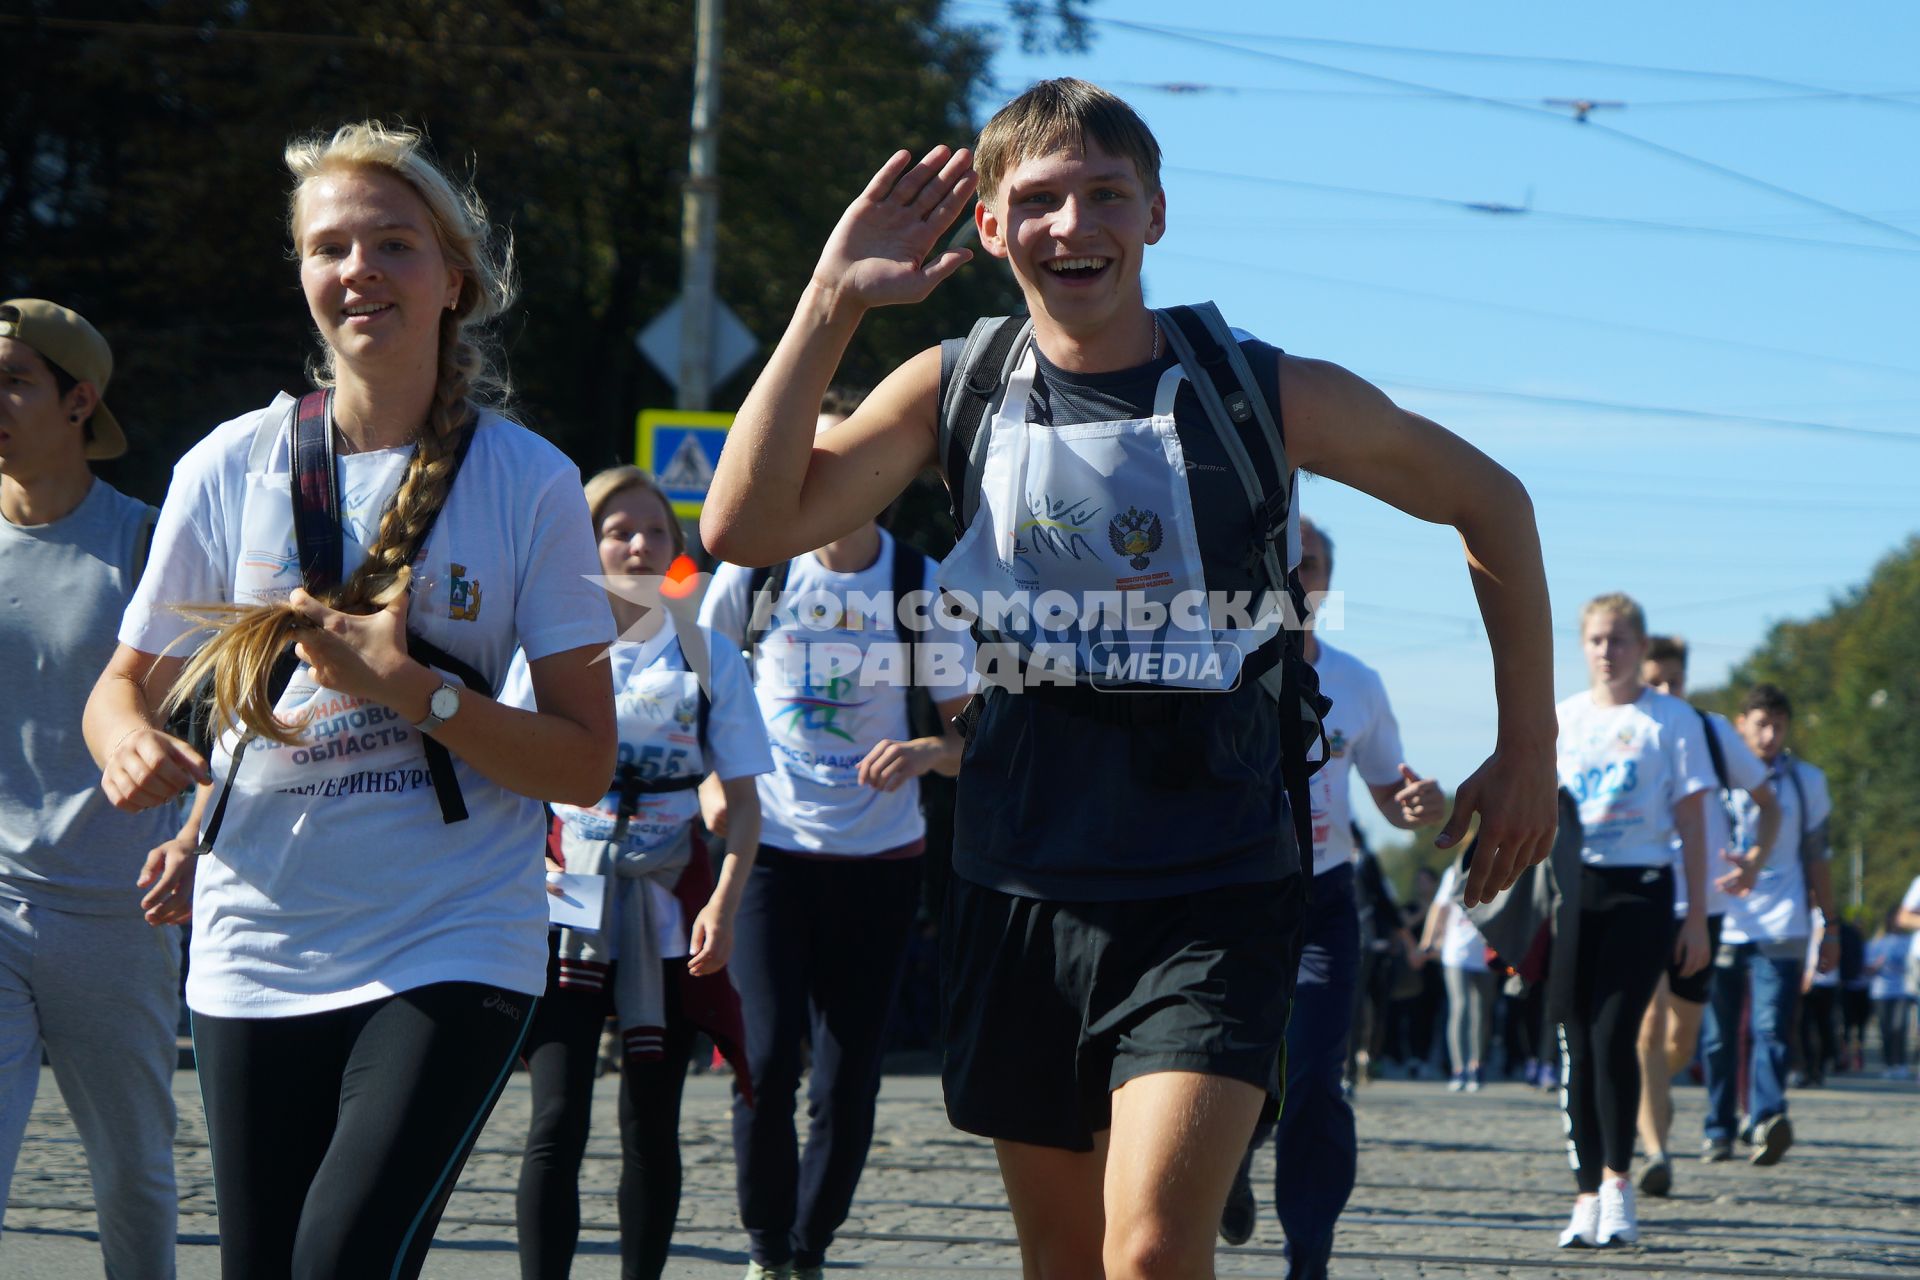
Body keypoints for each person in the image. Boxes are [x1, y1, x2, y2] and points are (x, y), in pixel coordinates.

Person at [699, 77, 1556, 1280]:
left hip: (1218, 873)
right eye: (1039, 199)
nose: (1074, 225)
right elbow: (742, 527)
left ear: (1156, 211)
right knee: (1066, 1258)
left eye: (1106, 194)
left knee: (1150, 1249)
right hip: (1017, 871)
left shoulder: (1258, 390)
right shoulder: (954, 387)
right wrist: (831, 302)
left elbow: (1490, 500)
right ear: (990, 227)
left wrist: (1530, 747)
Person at [81, 121, 617, 1279]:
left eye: (393, 243)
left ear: (452, 278)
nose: (359, 268)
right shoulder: (231, 464)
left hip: (452, 931)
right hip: (256, 938)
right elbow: (125, 687)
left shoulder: (530, 481)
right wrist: (127, 742)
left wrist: (407, 688)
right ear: (305, 279)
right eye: (331, 248)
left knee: (338, 1262)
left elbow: (583, 760)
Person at [700, 388, 975, 1280]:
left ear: (882, 475)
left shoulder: (918, 589)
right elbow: (698, 701)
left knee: (847, 1078)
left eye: (844, 460)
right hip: (770, 852)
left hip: (881, 864)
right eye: (809, 462)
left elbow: (981, 744)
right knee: (768, 1059)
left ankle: (809, 1249)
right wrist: (712, 780)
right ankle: (764, 1244)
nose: (824, 479)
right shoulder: (754, 576)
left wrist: (929, 750)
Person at [509, 466, 773, 1279]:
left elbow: (746, 804)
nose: (638, 544)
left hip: (667, 902)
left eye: (656, 532)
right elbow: (506, 774)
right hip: (569, 901)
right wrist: (524, 878)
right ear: (586, 545)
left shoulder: (708, 654)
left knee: (651, 1125)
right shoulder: (548, 644)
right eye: (619, 530)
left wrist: (725, 906)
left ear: (676, 549)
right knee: (556, 1118)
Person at [0, 299, 180, 1277]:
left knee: (136, 1174)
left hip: (118, 909)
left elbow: (221, 715)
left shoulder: (146, 546)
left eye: (14, 380)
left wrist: (199, 838)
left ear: (80, 402)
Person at [1217, 518, 1444, 1268]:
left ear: (1325, 582)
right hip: (1231, 899)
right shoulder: (1217, 665)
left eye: (1307, 564)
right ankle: (1233, 1160)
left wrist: (1418, 808)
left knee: (1315, 1078)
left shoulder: (1357, 684)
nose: (1295, 577)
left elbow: (1390, 793)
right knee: (1234, 1069)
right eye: (1283, 563)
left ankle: (1308, 1252)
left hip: (1324, 901)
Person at [1553, 593, 1711, 1249]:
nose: (1606, 651)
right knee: (1578, 1044)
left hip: (1643, 887)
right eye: (1595, 639)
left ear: (1641, 647)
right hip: (1573, 891)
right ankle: (1585, 1193)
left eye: (1618, 639)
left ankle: (1619, 1185)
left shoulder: (1670, 720)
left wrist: (1697, 915)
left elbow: (1694, 821)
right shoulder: (1563, 717)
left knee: (1616, 1033)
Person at [1631, 634, 1777, 1199]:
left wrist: (1755, 863)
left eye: (1674, 682)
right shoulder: (1624, 731)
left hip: (1705, 905)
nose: (1665, 692)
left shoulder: (1713, 731)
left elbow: (1771, 805)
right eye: (1655, 682)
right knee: (1646, 1027)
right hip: (1641, 896)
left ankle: (1647, 1093)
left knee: (1681, 1041)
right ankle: (1655, 1152)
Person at [1702, 684, 1837, 1170]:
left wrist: (1831, 924)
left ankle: (1765, 1118)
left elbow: (1818, 857)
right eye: (1760, 723)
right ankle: (1717, 1127)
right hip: (1722, 917)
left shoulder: (1806, 782)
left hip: (1782, 920)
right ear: (1740, 725)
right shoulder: (1715, 776)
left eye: (1778, 724)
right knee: (1717, 1036)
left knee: (1770, 1029)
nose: (1769, 734)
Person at [1422, 860, 1495, 1092]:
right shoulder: (1453, 871)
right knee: (1460, 1007)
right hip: (1455, 950)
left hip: (1484, 950)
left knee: (1482, 1010)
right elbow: (1439, 907)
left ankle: (1477, 1065)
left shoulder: (1498, 866)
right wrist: (1428, 942)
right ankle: (1458, 1068)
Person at [1865, 904, 1913, 1076]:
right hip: (1881, 991)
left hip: (1903, 990)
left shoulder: (1911, 941)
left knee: (1899, 1027)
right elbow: (1866, 969)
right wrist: (1876, 965)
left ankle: (1901, 1063)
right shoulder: (1877, 942)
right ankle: (1888, 1064)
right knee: (1885, 1029)